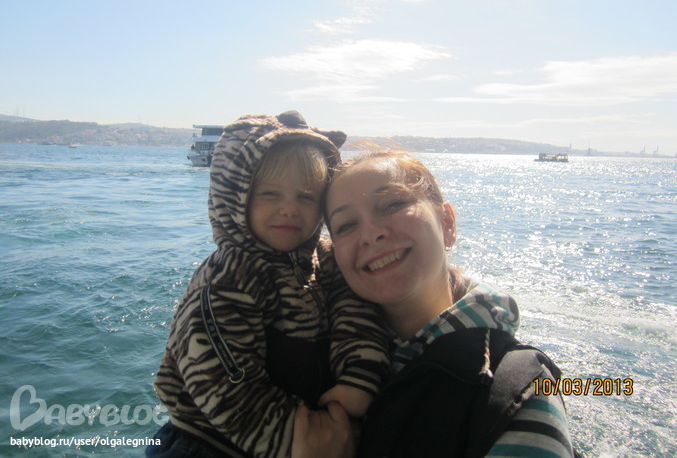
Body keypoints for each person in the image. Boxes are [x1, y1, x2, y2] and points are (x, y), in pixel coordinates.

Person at [294, 150, 576, 458]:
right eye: (346, 225)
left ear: (447, 224)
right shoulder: (307, 352)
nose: (371, 234)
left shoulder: (521, 394)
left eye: (393, 204)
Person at [149, 112, 389, 457]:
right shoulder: (229, 277)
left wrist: (360, 376)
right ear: (235, 196)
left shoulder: (325, 259)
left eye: (306, 197)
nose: (289, 209)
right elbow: (222, 383)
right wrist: (298, 441)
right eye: (270, 194)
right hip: (207, 443)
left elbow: (355, 314)